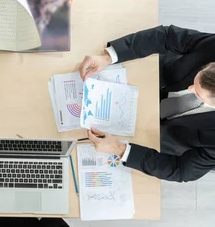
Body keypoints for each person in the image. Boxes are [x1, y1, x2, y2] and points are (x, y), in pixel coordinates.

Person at [79, 25, 215, 182]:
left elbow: (180, 170)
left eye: (197, 93)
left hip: (164, 136)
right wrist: (108, 57)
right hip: (156, 78)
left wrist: (119, 149)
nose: (190, 88)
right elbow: (165, 36)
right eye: (196, 79)